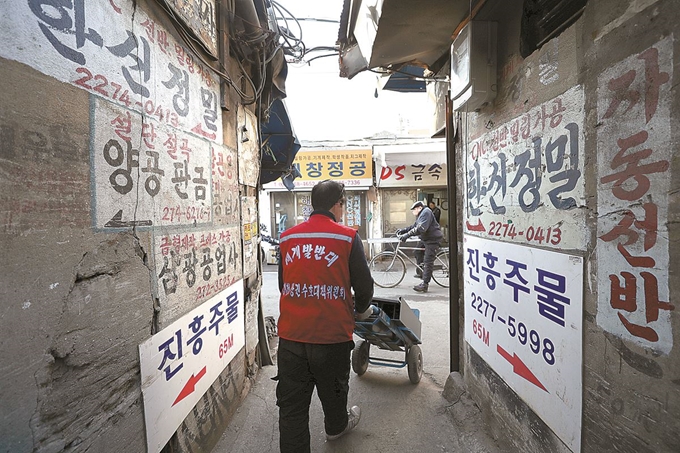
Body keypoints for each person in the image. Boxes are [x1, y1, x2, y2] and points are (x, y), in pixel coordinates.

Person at [276, 179, 374, 453]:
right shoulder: (347, 237)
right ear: (337, 205)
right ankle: (336, 428)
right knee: (333, 393)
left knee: (292, 406)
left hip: (291, 337)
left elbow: (283, 285)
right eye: (342, 204)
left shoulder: (288, 237)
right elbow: (363, 286)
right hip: (331, 336)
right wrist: (361, 309)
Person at [396, 200, 443, 292]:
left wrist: (406, 235)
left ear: (419, 208)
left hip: (432, 239)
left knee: (428, 261)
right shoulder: (421, 214)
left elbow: (421, 228)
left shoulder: (426, 212)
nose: (413, 212)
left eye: (414, 210)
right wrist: (403, 230)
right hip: (426, 239)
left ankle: (425, 284)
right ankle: (421, 272)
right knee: (417, 251)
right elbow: (414, 226)